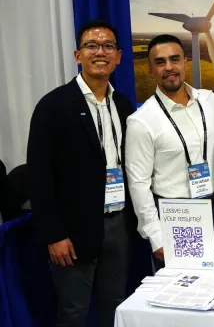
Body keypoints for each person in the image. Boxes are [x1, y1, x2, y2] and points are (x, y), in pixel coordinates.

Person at [28, 19, 135, 327]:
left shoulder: (123, 105)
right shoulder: (53, 105)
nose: (100, 52)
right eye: (91, 45)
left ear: (118, 56)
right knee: (73, 312)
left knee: (114, 305)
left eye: (108, 46)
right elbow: (40, 176)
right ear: (78, 55)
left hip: (118, 223)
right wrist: (54, 234)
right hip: (73, 231)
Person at [125, 34, 214, 266]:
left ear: (186, 62)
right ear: (150, 68)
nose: (169, 68)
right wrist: (156, 236)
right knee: (185, 291)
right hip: (176, 217)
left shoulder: (210, 101)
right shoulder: (141, 121)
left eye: (175, 59)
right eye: (160, 62)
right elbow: (138, 184)